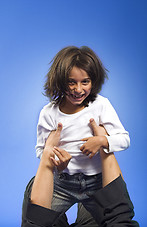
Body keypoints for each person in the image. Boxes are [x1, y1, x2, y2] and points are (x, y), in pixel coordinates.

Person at [35, 46, 130, 217]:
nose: (78, 89)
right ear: (59, 81)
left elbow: (124, 139)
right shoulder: (48, 113)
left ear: (93, 82)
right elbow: (41, 150)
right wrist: (57, 163)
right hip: (62, 184)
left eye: (85, 82)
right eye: (71, 82)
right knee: (37, 219)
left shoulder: (101, 105)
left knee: (117, 220)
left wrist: (101, 141)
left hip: (96, 182)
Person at [17, 122, 141, 227]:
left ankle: (79, 179)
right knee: (103, 197)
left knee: (38, 207)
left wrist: (49, 153)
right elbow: (120, 218)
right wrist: (104, 142)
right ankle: (87, 179)